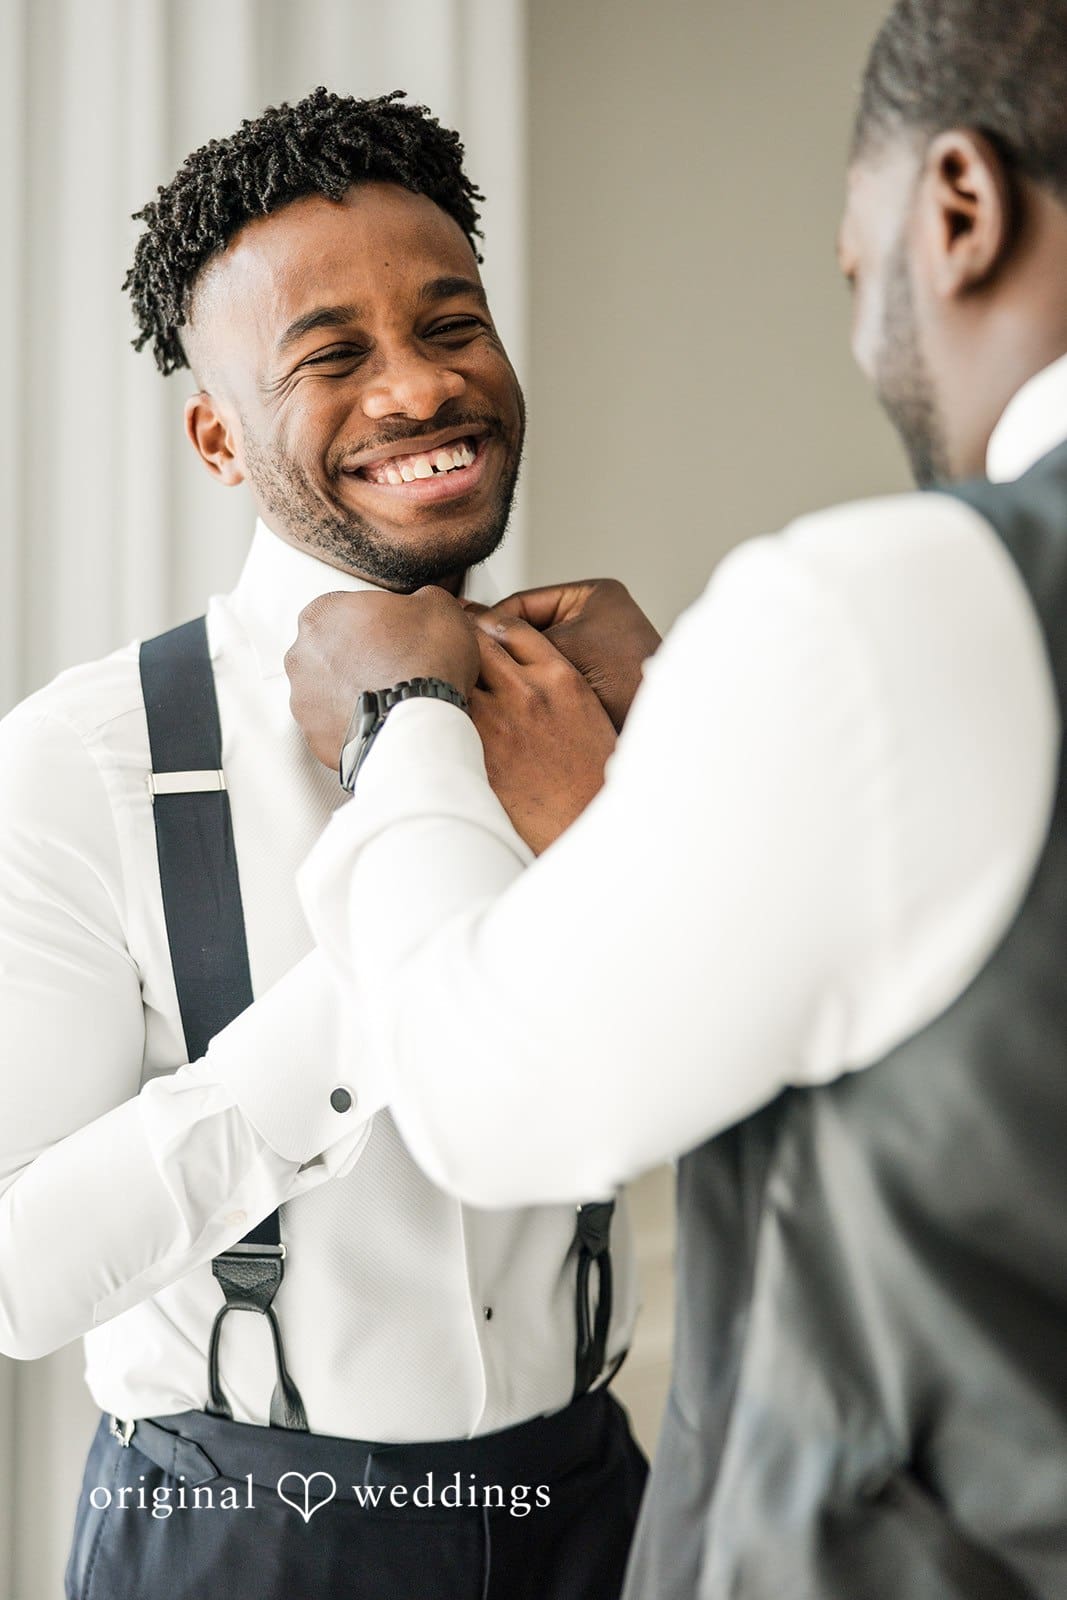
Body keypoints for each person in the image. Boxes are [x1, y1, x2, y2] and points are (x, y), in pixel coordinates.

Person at [283, 4, 1067, 1596]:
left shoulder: (899, 606)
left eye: (862, 270)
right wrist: (689, 774)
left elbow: (495, 1096)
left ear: (959, 209)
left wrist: (400, 728)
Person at [0, 88, 647, 1600]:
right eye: (331, 356)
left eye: (453, 324)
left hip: (595, 1511)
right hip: (241, 1530)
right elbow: (20, 1274)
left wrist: (669, 780)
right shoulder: (81, 761)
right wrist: (424, 907)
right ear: (219, 438)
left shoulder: (593, 709)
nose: (420, 389)